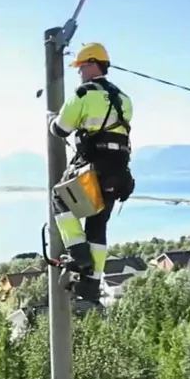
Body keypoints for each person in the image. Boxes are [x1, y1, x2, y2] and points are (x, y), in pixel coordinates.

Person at [48, 42, 135, 303]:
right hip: (119, 172)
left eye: (80, 67)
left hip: (93, 166)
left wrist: (51, 119)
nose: (78, 72)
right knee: (98, 225)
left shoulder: (84, 94)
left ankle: (77, 251)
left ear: (91, 64)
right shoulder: (124, 99)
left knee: (59, 199)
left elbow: (61, 129)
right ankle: (91, 283)